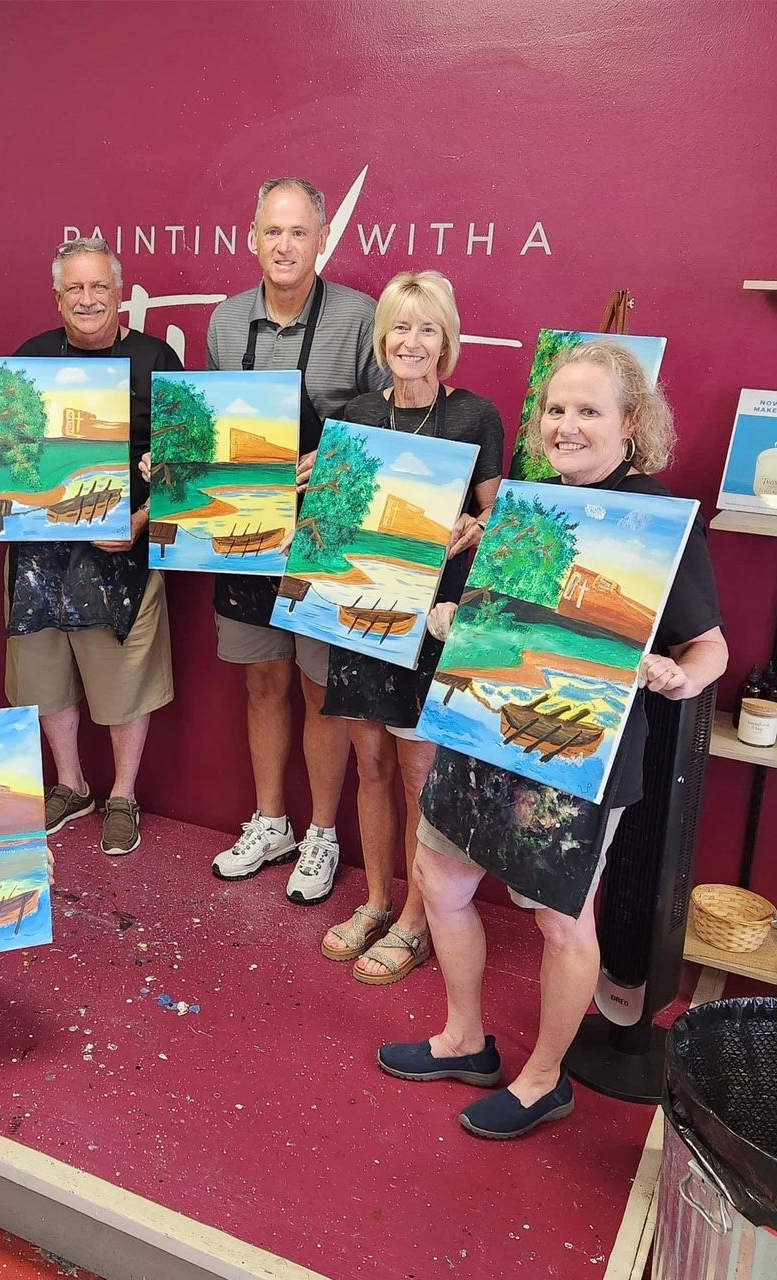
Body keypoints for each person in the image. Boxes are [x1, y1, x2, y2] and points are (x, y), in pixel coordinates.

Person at [379, 340, 727, 1138]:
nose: (566, 425)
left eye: (588, 411)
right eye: (556, 409)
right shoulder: (529, 506)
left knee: (562, 922)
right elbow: (500, 615)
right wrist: (456, 618)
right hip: (481, 728)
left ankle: (543, 1081)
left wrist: (680, 676)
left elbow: (710, 647)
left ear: (631, 423)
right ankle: (464, 1040)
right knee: (440, 878)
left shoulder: (659, 521)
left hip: (580, 760)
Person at [0, 237, 179, 856]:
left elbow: (184, 464)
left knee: (122, 675)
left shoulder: (156, 359)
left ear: (120, 294)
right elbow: (12, 457)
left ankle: (123, 796)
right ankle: (71, 784)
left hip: (121, 547)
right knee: (44, 671)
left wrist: (142, 520)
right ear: (57, 297)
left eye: (99, 286)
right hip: (38, 547)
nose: (87, 299)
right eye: (74, 288)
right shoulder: (30, 360)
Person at [206, 177, 388, 904]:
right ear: (252, 238)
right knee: (262, 680)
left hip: (325, 532)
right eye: (272, 232)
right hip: (246, 529)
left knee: (319, 688)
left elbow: (391, 421)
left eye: (299, 232)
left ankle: (322, 834)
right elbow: (215, 424)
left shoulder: (361, 317)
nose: (284, 246)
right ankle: (271, 821)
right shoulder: (225, 322)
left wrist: (333, 458)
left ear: (322, 239)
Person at [319, 271, 503, 985]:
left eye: (428, 328)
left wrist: (477, 526)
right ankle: (375, 901)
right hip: (364, 611)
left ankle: (417, 920)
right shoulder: (359, 414)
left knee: (418, 774)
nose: (413, 341)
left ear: (446, 339)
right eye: (401, 326)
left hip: (435, 619)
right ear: (383, 336)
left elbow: (498, 517)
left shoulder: (475, 416)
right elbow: (337, 513)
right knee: (369, 764)